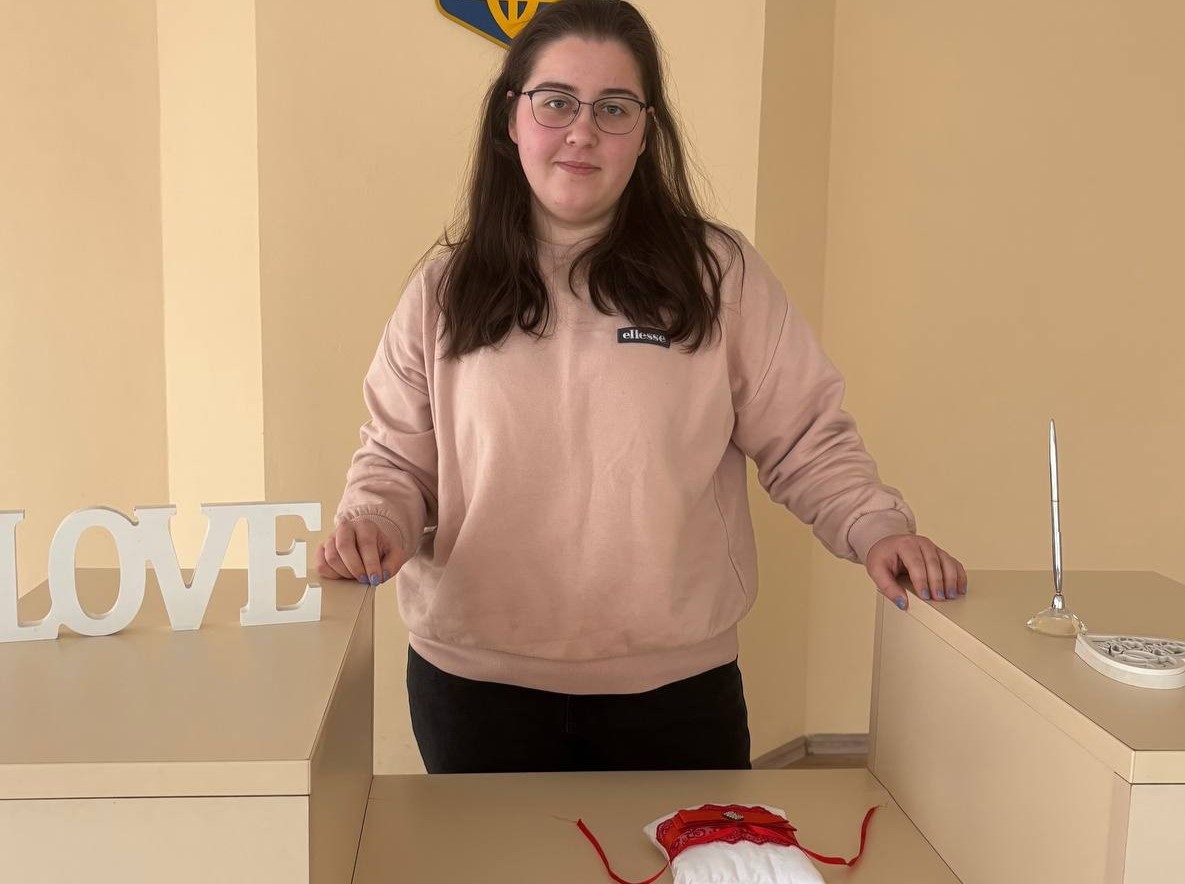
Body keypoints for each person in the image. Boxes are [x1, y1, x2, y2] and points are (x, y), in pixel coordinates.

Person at [316, 0, 966, 774]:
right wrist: (374, 522)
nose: (581, 132)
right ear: (510, 118)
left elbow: (803, 437)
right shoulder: (442, 290)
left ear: (645, 132)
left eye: (613, 108)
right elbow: (396, 460)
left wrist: (876, 528)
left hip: (675, 691)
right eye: (556, 102)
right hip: (473, 687)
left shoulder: (717, 274)